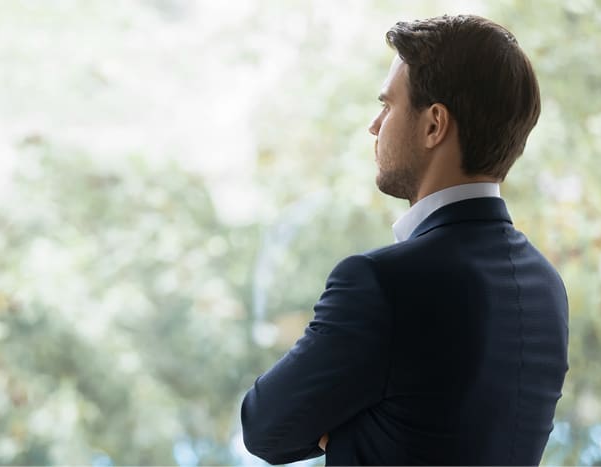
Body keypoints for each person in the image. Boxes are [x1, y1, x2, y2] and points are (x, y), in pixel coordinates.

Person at [240, 14, 569, 465]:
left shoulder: (381, 284)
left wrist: (346, 426)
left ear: (434, 125)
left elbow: (264, 427)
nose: (375, 126)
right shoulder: (547, 286)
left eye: (388, 105)